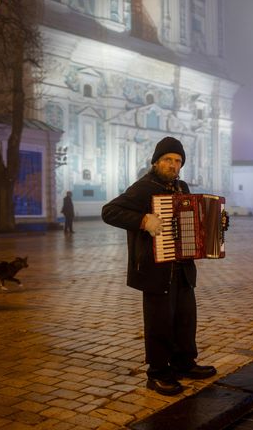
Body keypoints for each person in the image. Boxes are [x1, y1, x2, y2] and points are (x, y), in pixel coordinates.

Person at [101, 137, 217, 396]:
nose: (173, 165)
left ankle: (185, 364)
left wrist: (215, 224)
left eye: (177, 161)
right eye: (168, 159)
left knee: (185, 319)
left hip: (183, 267)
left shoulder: (182, 187)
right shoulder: (143, 188)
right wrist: (144, 220)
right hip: (155, 270)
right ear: (156, 161)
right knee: (159, 323)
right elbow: (109, 211)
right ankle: (157, 374)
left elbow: (195, 220)